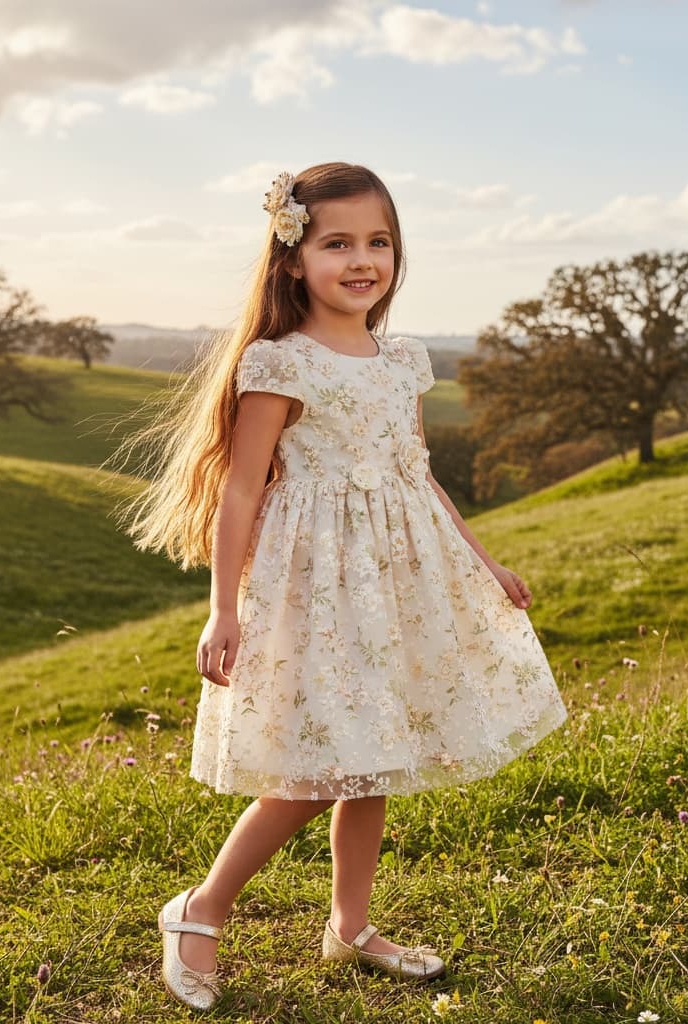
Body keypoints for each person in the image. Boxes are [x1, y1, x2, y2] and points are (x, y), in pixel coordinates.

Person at [114, 162, 567, 1010]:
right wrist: (223, 609)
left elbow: (417, 474)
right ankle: (199, 909)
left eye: (378, 242)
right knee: (319, 769)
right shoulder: (280, 363)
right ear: (293, 257)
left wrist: (484, 561)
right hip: (314, 587)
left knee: (378, 756)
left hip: (397, 580)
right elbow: (242, 490)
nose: (362, 260)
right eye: (338, 243)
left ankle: (349, 926)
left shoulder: (403, 359)